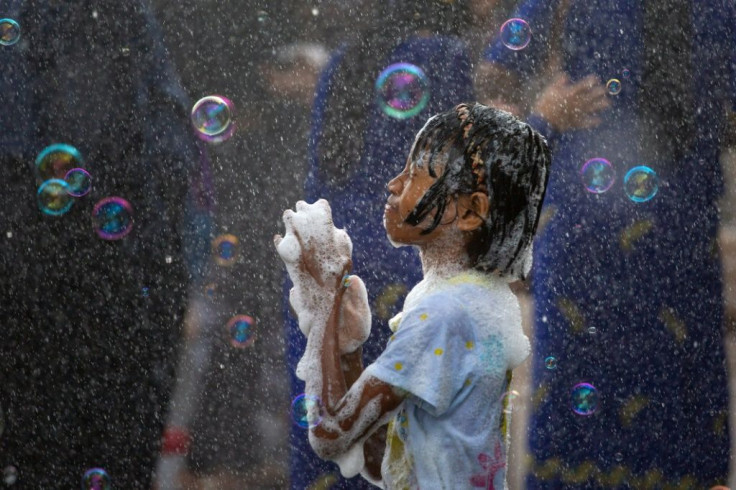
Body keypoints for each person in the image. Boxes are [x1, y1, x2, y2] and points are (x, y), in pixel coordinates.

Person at [476, 0, 736, 487]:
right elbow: (494, 79)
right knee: (579, 415)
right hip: (585, 240)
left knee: (680, 411)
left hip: (680, 242)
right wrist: (544, 112)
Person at [276, 102, 552, 489]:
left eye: (416, 174)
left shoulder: (444, 314)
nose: (394, 184)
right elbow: (385, 463)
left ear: (472, 211)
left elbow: (330, 432)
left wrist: (324, 304)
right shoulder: (477, 300)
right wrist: (350, 349)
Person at [0, 1, 202, 487]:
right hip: (94, 278)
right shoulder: (116, 21)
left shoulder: (119, 20)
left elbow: (170, 154)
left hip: (93, 278)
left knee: (56, 449)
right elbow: (169, 153)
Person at [286, 2, 475, 487]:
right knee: (401, 455)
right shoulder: (450, 58)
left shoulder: (343, 60)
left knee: (334, 434)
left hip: (336, 265)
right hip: (407, 268)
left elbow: (317, 178)